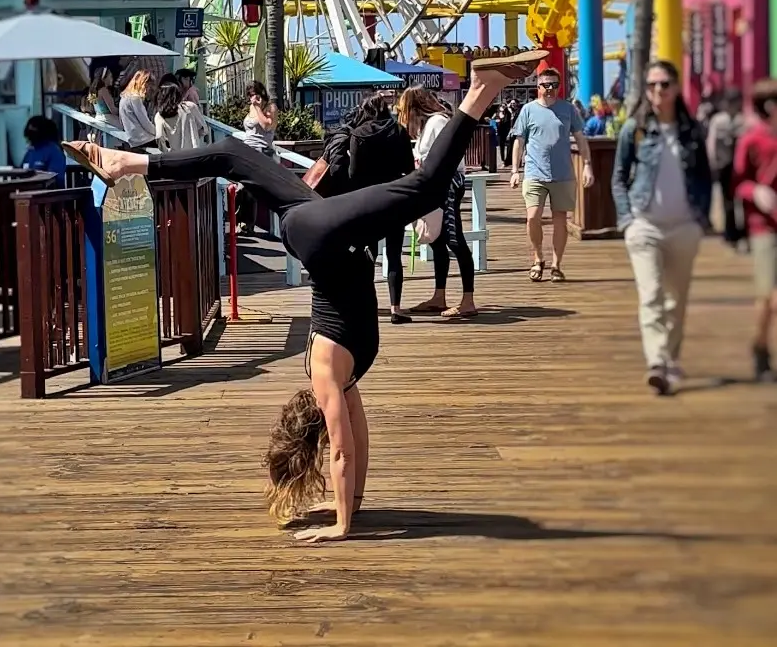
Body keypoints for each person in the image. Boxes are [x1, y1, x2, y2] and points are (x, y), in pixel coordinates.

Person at [61, 51, 545, 542]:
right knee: (236, 155)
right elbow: (352, 443)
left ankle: (124, 161)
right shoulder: (342, 375)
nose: (326, 405)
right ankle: (483, 90)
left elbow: (343, 448)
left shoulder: (328, 370)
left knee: (412, 187)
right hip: (320, 233)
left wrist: (342, 524)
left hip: (316, 235)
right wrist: (349, 505)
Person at [611, 61, 712, 395]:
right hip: (645, 226)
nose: (658, 91)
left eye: (664, 84)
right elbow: (619, 178)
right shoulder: (635, 129)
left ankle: (670, 358)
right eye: (652, 85)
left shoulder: (692, 130)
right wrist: (628, 220)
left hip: (684, 226)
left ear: (676, 87)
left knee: (677, 300)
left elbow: (703, 177)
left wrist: (700, 220)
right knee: (651, 295)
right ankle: (656, 362)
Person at [319, 94, 415, 324]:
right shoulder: (399, 132)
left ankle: (368, 307)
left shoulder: (358, 134)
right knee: (394, 255)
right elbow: (410, 169)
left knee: (367, 254)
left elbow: (352, 173)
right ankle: (396, 308)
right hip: (394, 198)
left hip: (366, 201)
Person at [397, 85, 477, 318]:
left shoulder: (438, 122)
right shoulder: (429, 125)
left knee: (454, 239)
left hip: (448, 185)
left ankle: (468, 300)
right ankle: (439, 296)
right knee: (438, 240)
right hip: (436, 186)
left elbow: (448, 154)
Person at [510, 67, 595, 283]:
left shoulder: (568, 110)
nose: (550, 89)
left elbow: (580, 138)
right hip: (534, 172)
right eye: (546, 85)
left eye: (554, 85)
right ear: (537, 87)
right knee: (532, 217)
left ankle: (556, 265)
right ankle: (538, 258)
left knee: (560, 221)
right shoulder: (528, 110)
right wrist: (514, 171)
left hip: (563, 173)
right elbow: (519, 141)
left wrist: (587, 165)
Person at [733, 79, 777, 383]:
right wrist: (756, 192)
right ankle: (760, 346)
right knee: (768, 296)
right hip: (764, 227)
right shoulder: (752, 140)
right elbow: (738, 182)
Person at [235, 81, 278, 234]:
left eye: (255, 94)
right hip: (246, 148)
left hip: (260, 150)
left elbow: (267, 126)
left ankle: (246, 223)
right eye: (250, 95)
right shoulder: (251, 107)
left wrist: (259, 107)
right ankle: (242, 223)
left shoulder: (270, 108)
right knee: (242, 187)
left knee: (247, 188)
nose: (252, 98)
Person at [707, 87, 746, 248]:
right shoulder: (718, 121)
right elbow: (712, 142)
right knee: (727, 201)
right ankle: (730, 232)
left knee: (742, 200)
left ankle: (742, 231)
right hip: (723, 165)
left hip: (740, 167)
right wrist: (713, 162)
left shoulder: (743, 121)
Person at [154, 80, 208, 153]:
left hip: (176, 156)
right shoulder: (190, 107)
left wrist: (166, 151)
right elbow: (204, 129)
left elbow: (159, 137)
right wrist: (195, 137)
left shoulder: (160, 115)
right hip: (194, 152)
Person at [22, 115, 66, 187]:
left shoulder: (54, 152)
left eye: (33, 130)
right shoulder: (30, 152)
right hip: (26, 192)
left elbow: (56, 178)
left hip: (45, 195)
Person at [119, 70, 157, 151]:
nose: (150, 88)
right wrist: (158, 133)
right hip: (142, 139)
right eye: (150, 84)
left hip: (133, 138)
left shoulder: (124, 97)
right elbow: (146, 123)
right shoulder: (135, 98)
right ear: (144, 83)